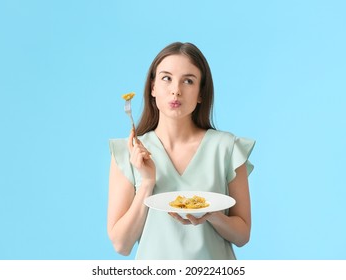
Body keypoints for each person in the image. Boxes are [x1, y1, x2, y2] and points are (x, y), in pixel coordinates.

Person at [107, 42, 255, 259]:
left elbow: (242, 235)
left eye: (188, 81)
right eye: (166, 78)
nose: (176, 90)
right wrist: (147, 183)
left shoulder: (227, 148)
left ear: (200, 94)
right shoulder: (128, 152)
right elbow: (121, 245)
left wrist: (212, 216)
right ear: (153, 88)